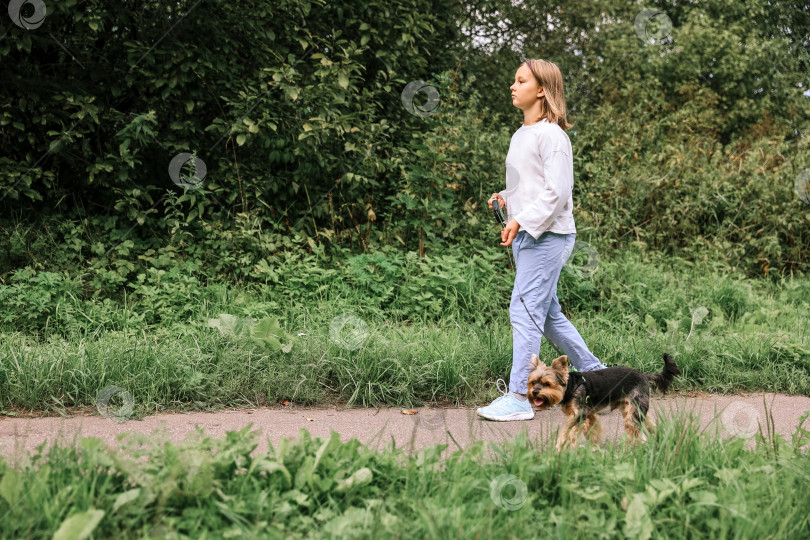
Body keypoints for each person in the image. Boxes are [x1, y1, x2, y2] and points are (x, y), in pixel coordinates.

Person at [476, 58, 607, 422]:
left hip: (548, 236)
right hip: (529, 235)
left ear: (542, 90)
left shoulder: (553, 135)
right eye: (514, 80)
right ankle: (598, 377)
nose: (513, 86)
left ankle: (520, 395)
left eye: (521, 80)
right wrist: (506, 198)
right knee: (547, 316)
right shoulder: (522, 134)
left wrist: (521, 219)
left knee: (524, 309)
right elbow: (529, 186)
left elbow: (558, 191)